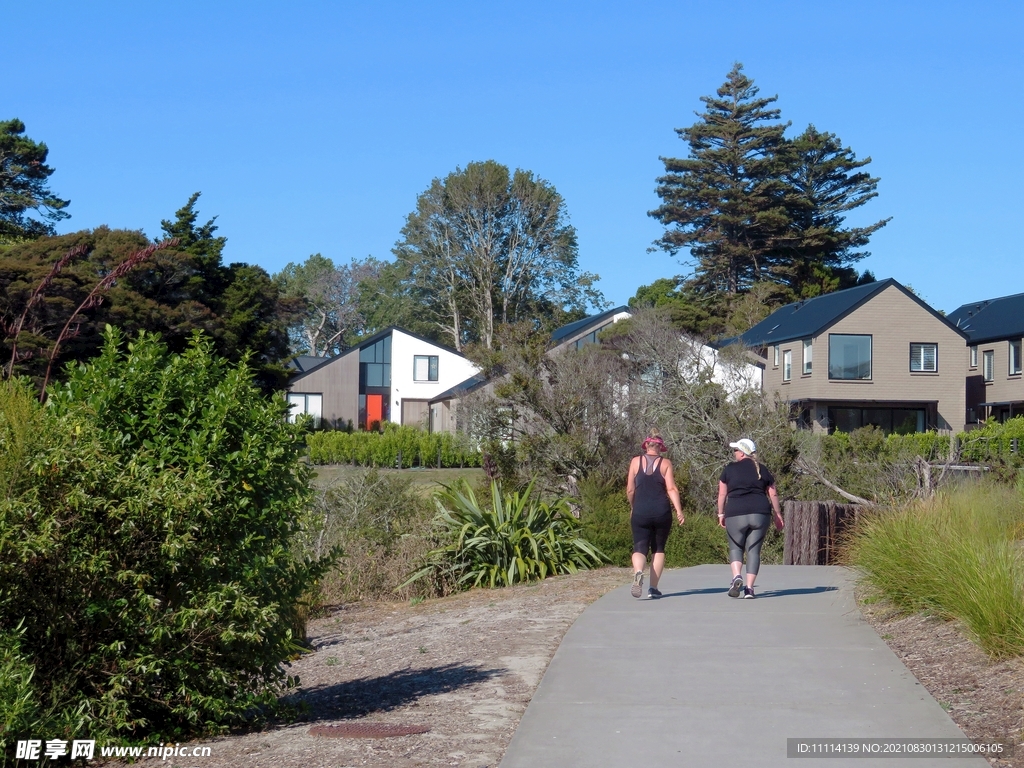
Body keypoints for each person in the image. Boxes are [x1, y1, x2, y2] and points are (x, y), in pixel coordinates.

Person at [717, 438, 784, 599]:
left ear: (742, 452)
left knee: (735, 548)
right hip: (760, 513)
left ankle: (736, 576)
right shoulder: (762, 469)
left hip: (736, 512)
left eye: (735, 450)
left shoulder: (729, 469)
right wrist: (778, 514)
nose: (734, 453)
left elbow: (722, 494)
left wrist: (720, 513)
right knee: (754, 551)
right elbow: (773, 493)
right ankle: (749, 589)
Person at [626, 429, 685, 599]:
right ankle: (653, 588)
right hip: (661, 511)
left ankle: (638, 572)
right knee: (658, 548)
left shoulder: (635, 462)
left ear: (646, 446)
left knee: (639, 546)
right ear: (660, 448)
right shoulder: (665, 464)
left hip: (640, 510)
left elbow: (630, 489)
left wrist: (633, 506)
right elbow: (672, 488)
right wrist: (679, 511)